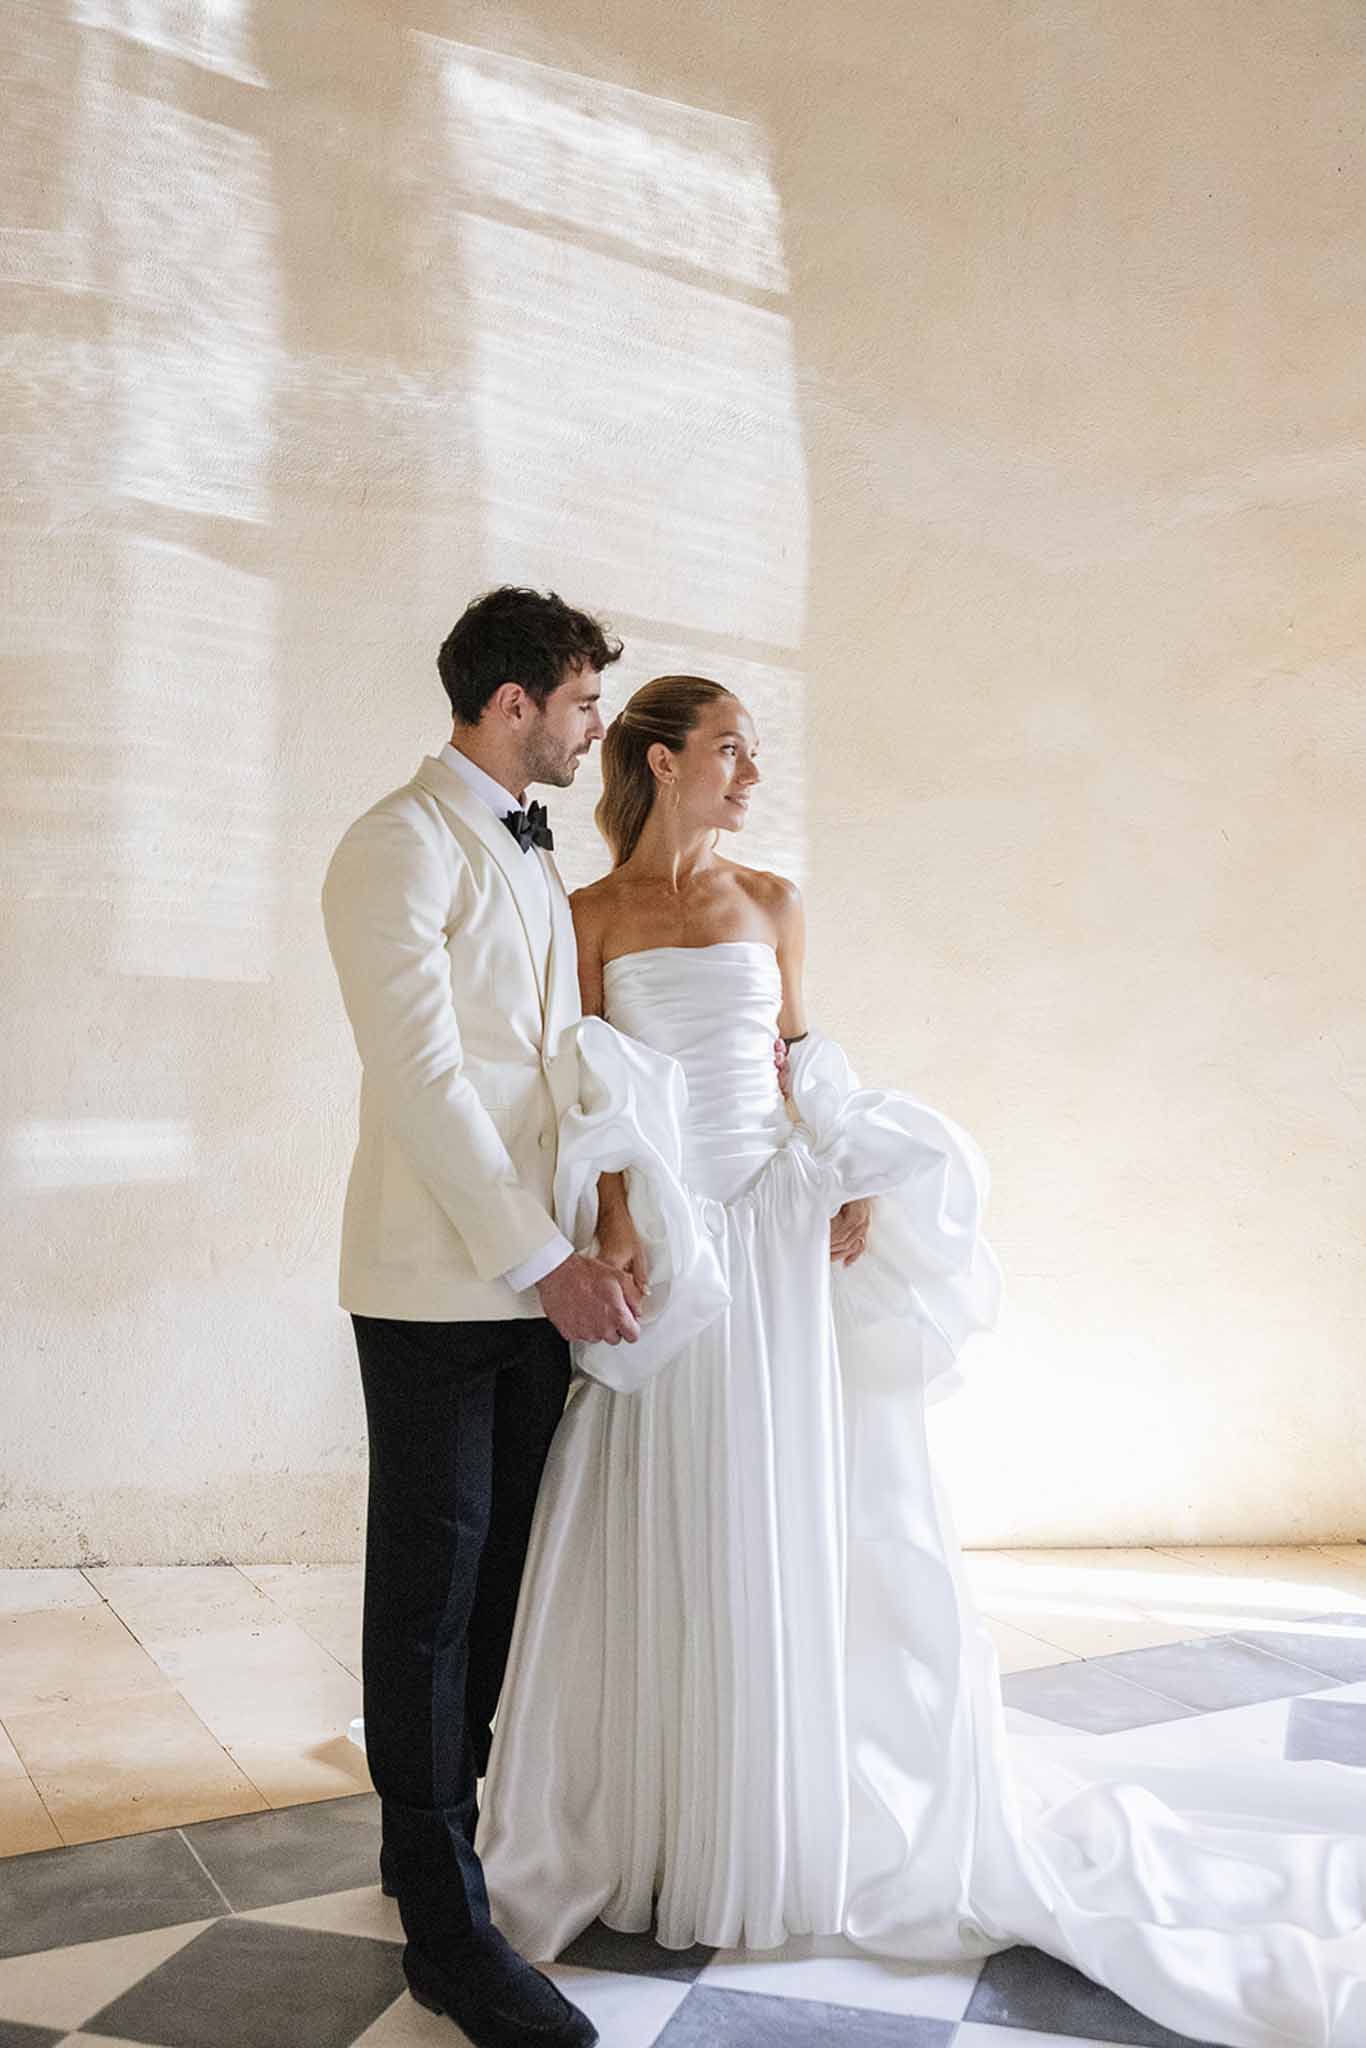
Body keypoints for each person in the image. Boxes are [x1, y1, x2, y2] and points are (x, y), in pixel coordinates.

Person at [476, 676, 1366, 2048]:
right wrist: (614, 1229)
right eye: (727, 752)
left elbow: (797, 1057)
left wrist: (853, 1173)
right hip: (678, 1247)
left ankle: (786, 1817)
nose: (747, 775)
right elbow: (589, 1088)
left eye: (750, 755)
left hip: (775, 1233)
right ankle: (671, 1815)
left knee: (793, 1515)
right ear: (657, 763)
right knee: (676, 1518)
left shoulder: (770, 901)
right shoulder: (585, 917)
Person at [321, 587, 642, 2048]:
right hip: (438, 1283)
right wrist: (539, 1261)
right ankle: (449, 1939)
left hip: (534, 1276)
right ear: (511, 702)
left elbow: (549, 1058)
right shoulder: (393, 847)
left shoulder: (526, 845)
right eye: (579, 704)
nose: (592, 729)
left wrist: (614, 1221)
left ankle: (427, 1858)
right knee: (432, 1602)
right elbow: (426, 1086)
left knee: (502, 1579)